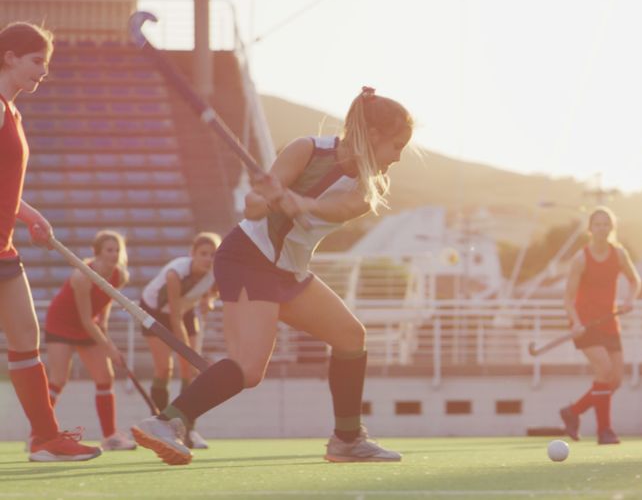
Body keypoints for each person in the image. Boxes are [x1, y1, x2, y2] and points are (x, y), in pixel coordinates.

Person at [131, 86, 413, 465]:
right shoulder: (307, 149)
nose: (398, 157)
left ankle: (346, 440)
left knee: (350, 336)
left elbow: (337, 208)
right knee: (249, 369)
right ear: (374, 136)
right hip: (248, 257)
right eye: (397, 145)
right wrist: (261, 201)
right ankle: (167, 422)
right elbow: (252, 209)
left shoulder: (367, 189)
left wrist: (302, 202)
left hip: (288, 271)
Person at [0, 21, 102, 462]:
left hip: (2, 247)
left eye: (47, 63)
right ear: (9, 57)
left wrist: (27, 212)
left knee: (26, 335)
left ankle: (44, 438)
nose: (44, 71)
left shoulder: (11, 111)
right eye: (37, 61)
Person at [42, 230, 133, 451]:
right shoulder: (82, 276)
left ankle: (110, 437)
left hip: (88, 327)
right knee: (58, 379)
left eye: (117, 250)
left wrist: (107, 338)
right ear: (97, 253)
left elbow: (103, 310)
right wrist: (109, 347)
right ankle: (40, 434)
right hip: (61, 324)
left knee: (105, 377)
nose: (114, 254)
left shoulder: (119, 276)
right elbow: (85, 319)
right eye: (109, 250)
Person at [558, 207, 642, 445]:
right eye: (597, 224)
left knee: (615, 380)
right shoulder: (581, 258)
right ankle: (605, 431)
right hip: (585, 323)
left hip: (609, 322)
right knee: (603, 369)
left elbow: (635, 280)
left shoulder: (619, 254)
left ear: (611, 228)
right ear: (590, 228)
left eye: (606, 224)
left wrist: (630, 299)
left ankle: (573, 412)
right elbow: (567, 298)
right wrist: (575, 322)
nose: (602, 228)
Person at [139, 232, 220, 449]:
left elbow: (211, 293)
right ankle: (160, 427)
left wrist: (208, 300)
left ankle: (188, 430)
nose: (208, 259)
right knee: (165, 368)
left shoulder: (215, 272)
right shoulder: (176, 273)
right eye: (203, 254)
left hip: (185, 310)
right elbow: (174, 319)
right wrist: (188, 353)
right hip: (156, 313)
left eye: (213, 255)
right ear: (192, 254)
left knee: (189, 373)